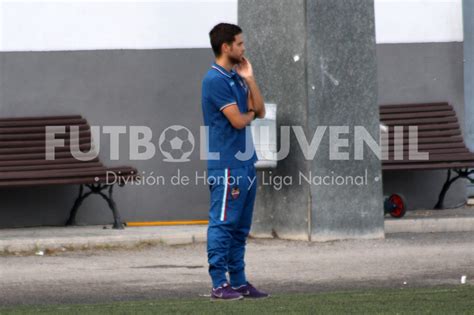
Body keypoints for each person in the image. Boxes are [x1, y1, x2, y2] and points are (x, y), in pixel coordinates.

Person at [201, 23, 268, 301]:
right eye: (239, 44)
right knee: (223, 225)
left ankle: (238, 282)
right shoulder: (214, 80)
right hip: (226, 165)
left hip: (245, 164)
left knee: (240, 229)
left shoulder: (237, 76)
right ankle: (219, 283)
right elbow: (240, 119)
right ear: (226, 47)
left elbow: (261, 110)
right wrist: (250, 111)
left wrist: (250, 79)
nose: (243, 48)